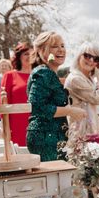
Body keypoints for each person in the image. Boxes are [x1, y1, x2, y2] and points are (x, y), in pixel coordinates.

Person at [26, 32, 85, 161]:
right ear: (41, 50)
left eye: (63, 46)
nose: (61, 50)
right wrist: (70, 111)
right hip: (45, 137)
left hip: (54, 136)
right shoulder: (43, 72)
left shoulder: (51, 73)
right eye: (54, 46)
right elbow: (37, 107)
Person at [64, 43, 99, 144]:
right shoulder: (75, 79)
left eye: (96, 58)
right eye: (87, 56)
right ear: (79, 56)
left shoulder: (89, 79)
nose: (91, 61)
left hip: (91, 130)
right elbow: (98, 99)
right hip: (80, 133)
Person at [0, 43, 32, 146]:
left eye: (33, 53)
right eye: (26, 54)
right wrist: (5, 127)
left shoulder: (41, 75)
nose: (30, 56)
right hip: (17, 126)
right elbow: (3, 105)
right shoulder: (9, 76)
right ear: (19, 57)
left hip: (39, 125)